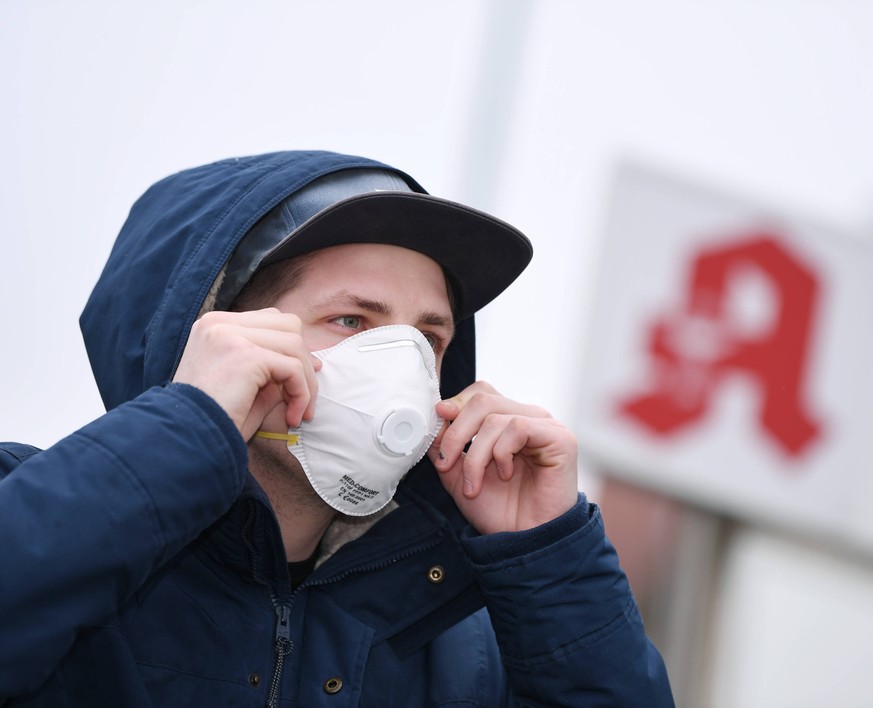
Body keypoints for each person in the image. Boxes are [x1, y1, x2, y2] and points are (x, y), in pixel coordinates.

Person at [0, 150, 674, 706]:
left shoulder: (458, 648)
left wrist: (549, 559)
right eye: (352, 321)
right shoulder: (35, 509)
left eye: (427, 339)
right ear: (217, 331)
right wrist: (186, 424)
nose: (400, 370)